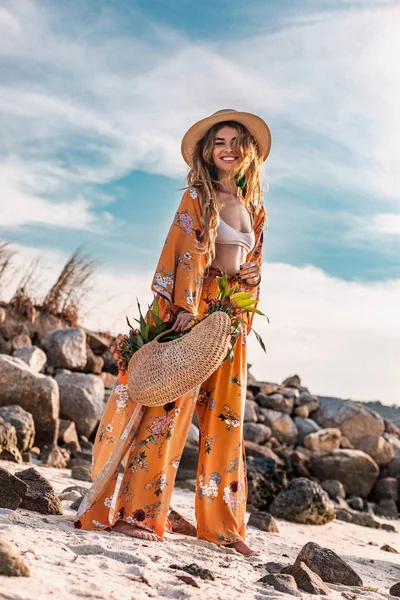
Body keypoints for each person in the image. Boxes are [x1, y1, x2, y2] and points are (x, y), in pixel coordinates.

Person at [74, 109, 271, 556]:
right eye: (220, 142)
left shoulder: (255, 209)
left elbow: (248, 266)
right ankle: (137, 512)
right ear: (207, 150)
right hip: (192, 311)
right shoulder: (197, 197)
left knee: (226, 421)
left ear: (249, 153)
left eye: (236, 143)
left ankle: (223, 527)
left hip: (230, 317)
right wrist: (182, 306)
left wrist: (252, 278)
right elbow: (178, 251)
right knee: (165, 412)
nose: (228, 149)